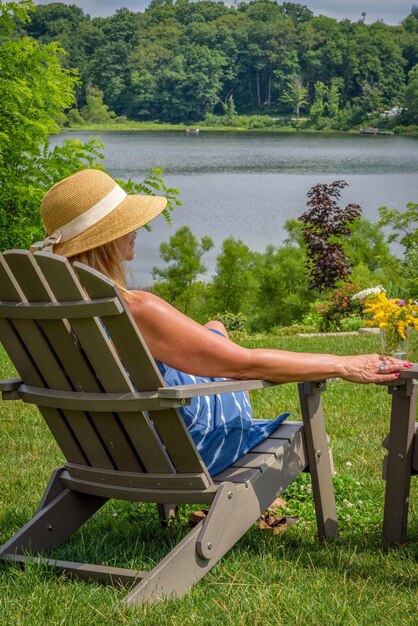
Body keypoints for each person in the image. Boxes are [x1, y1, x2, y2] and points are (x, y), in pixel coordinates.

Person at [32, 169, 411, 476]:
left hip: (105, 451)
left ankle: (214, 336)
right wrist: (344, 364)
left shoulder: (54, 310)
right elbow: (244, 365)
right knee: (221, 342)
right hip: (178, 456)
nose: (137, 230)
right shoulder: (136, 309)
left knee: (214, 328)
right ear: (103, 240)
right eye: (125, 225)